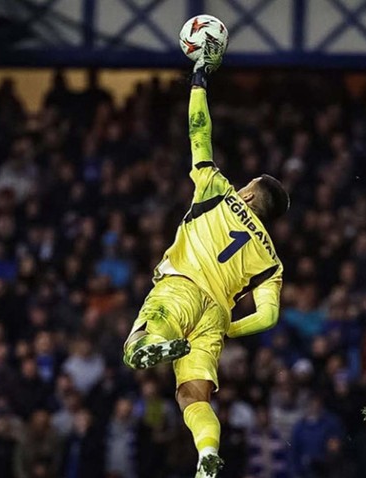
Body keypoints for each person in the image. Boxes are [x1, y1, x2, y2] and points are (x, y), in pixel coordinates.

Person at [121, 46, 290, 477]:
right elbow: (268, 316)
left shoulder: (218, 190)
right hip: (216, 315)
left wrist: (198, 81)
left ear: (249, 195)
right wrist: (230, 327)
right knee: (193, 396)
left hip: (183, 284)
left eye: (248, 183)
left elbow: (199, 133)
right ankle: (206, 454)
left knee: (133, 347)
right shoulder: (271, 260)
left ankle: (151, 342)